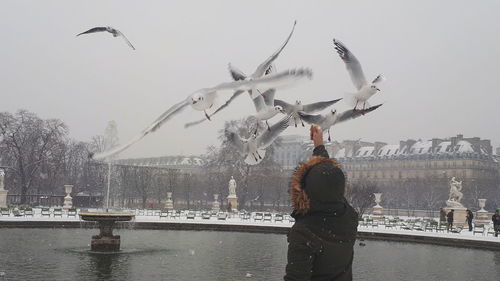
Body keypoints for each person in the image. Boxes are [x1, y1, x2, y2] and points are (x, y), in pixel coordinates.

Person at [284, 125, 358, 281]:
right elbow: (329, 184)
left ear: (304, 192)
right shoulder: (349, 218)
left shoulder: (304, 233)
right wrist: (319, 147)